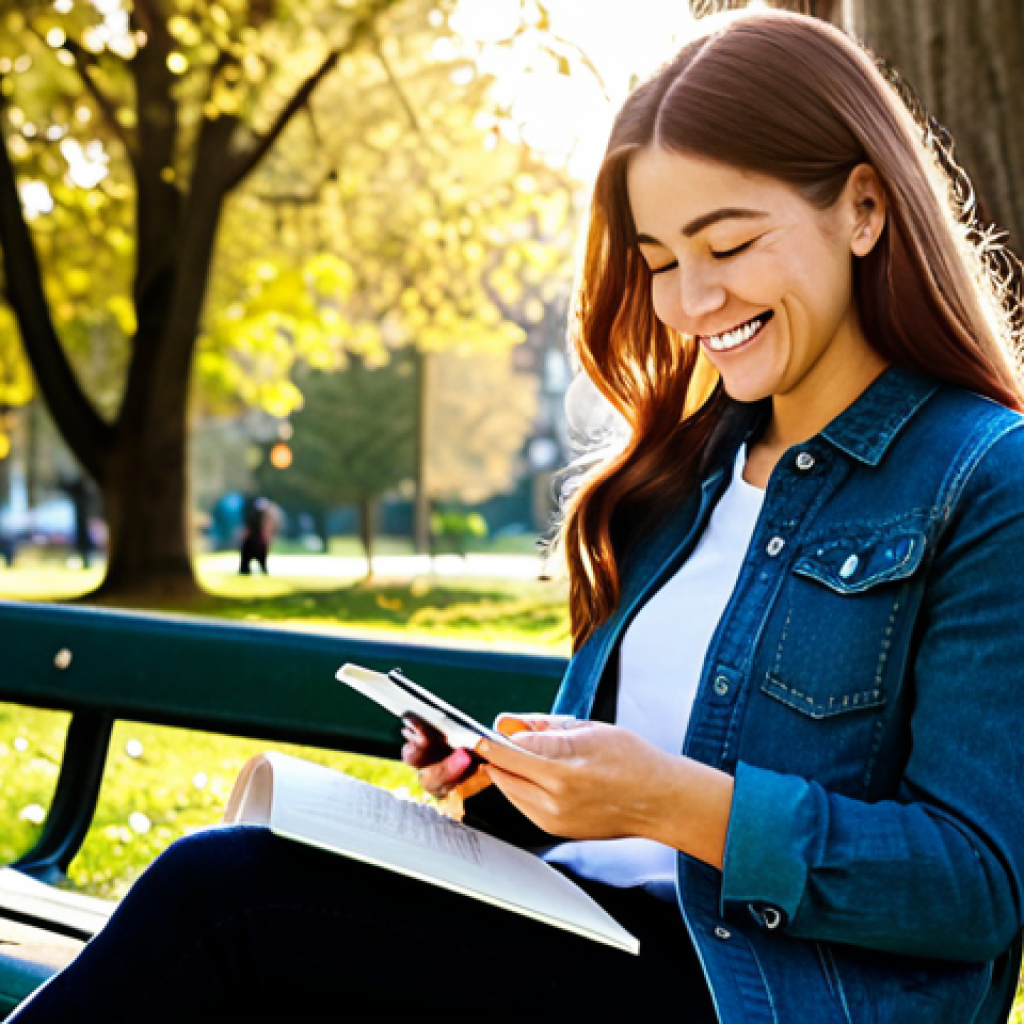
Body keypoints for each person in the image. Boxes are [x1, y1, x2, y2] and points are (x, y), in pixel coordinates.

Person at [9, 9, 1024, 1023]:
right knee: (242, 905)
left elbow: (976, 884)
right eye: (661, 259)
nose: (690, 300)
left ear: (861, 208)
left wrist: (666, 799)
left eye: (728, 243)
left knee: (227, 904)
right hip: (579, 939)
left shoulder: (985, 480)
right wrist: (505, 788)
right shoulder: (678, 480)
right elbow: (613, 815)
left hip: (758, 996)